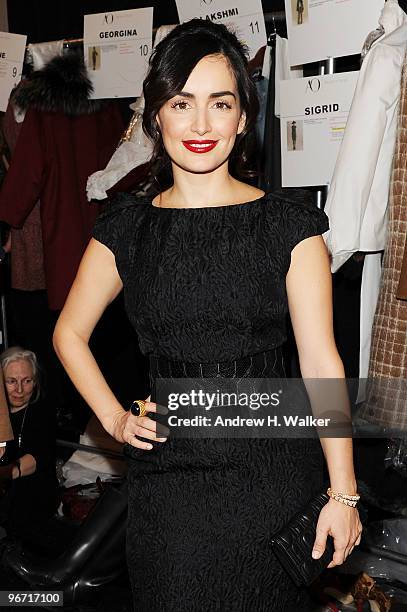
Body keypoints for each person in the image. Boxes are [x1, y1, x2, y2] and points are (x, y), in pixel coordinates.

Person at [53, 19, 362, 611]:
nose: (200, 125)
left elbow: (322, 362)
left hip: (273, 471)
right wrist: (114, 421)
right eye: (181, 102)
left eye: (220, 103)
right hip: (170, 484)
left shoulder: (289, 228)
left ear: (243, 118)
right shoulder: (126, 228)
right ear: (155, 118)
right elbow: (69, 333)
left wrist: (342, 494)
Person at [0, 347, 59, 540]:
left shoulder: (41, 413)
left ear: (35, 383)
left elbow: (37, 457)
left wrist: (5, 473)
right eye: (11, 381)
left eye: (27, 381)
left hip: (33, 500)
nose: (19, 389)